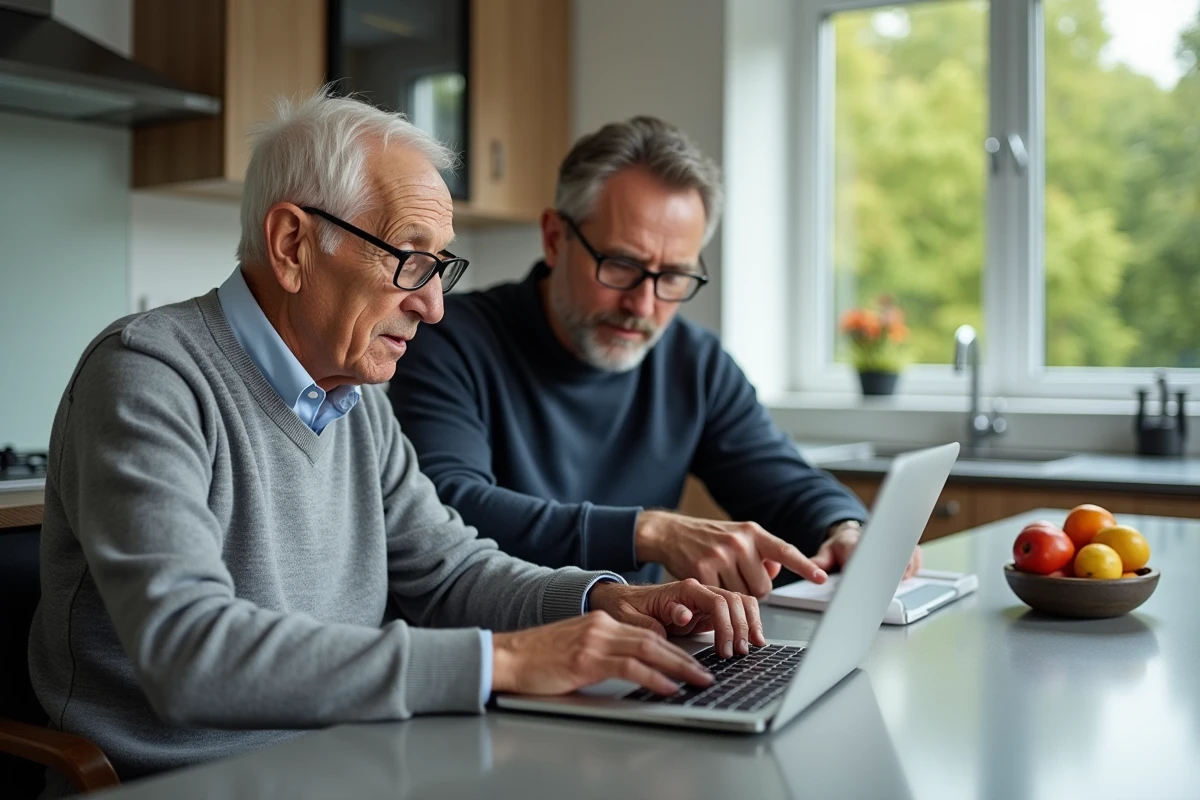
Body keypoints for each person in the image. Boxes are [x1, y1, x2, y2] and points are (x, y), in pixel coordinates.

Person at [27, 92, 765, 794]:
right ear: (292, 245)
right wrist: (504, 660)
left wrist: (605, 600)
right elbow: (189, 652)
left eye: (440, 266)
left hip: (356, 760)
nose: (434, 305)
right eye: (409, 258)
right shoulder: (148, 374)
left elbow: (450, 574)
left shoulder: (355, 399)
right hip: (189, 781)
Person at [390, 116, 921, 597]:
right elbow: (447, 505)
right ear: (554, 238)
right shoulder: (447, 336)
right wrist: (648, 531)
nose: (642, 305)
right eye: (620, 265)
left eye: (673, 277)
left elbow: (778, 479)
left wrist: (845, 528)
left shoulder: (695, 362)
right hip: (497, 645)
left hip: (637, 646)